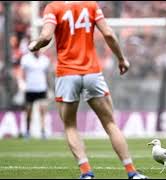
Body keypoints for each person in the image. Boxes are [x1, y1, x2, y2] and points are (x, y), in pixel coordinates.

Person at [28, 1, 147, 179]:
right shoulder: (90, 5)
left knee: (70, 126)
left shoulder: (53, 7)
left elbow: (46, 37)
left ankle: (86, 173)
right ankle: (132, 172)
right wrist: (121, 59)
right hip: (92, 72)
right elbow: (108, 33)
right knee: (110, 124)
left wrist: (34, 45)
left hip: (67, 74)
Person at [20, 51, 50, 139]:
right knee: (29, 111)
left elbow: (47, 74)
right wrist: (21, 83)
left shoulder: (45, 60)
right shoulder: (25, 59)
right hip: (30, 88)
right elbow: (22, 73)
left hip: (42, 88)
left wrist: (49, 88)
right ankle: (27, 131)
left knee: (43, 111)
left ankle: (43, 131)